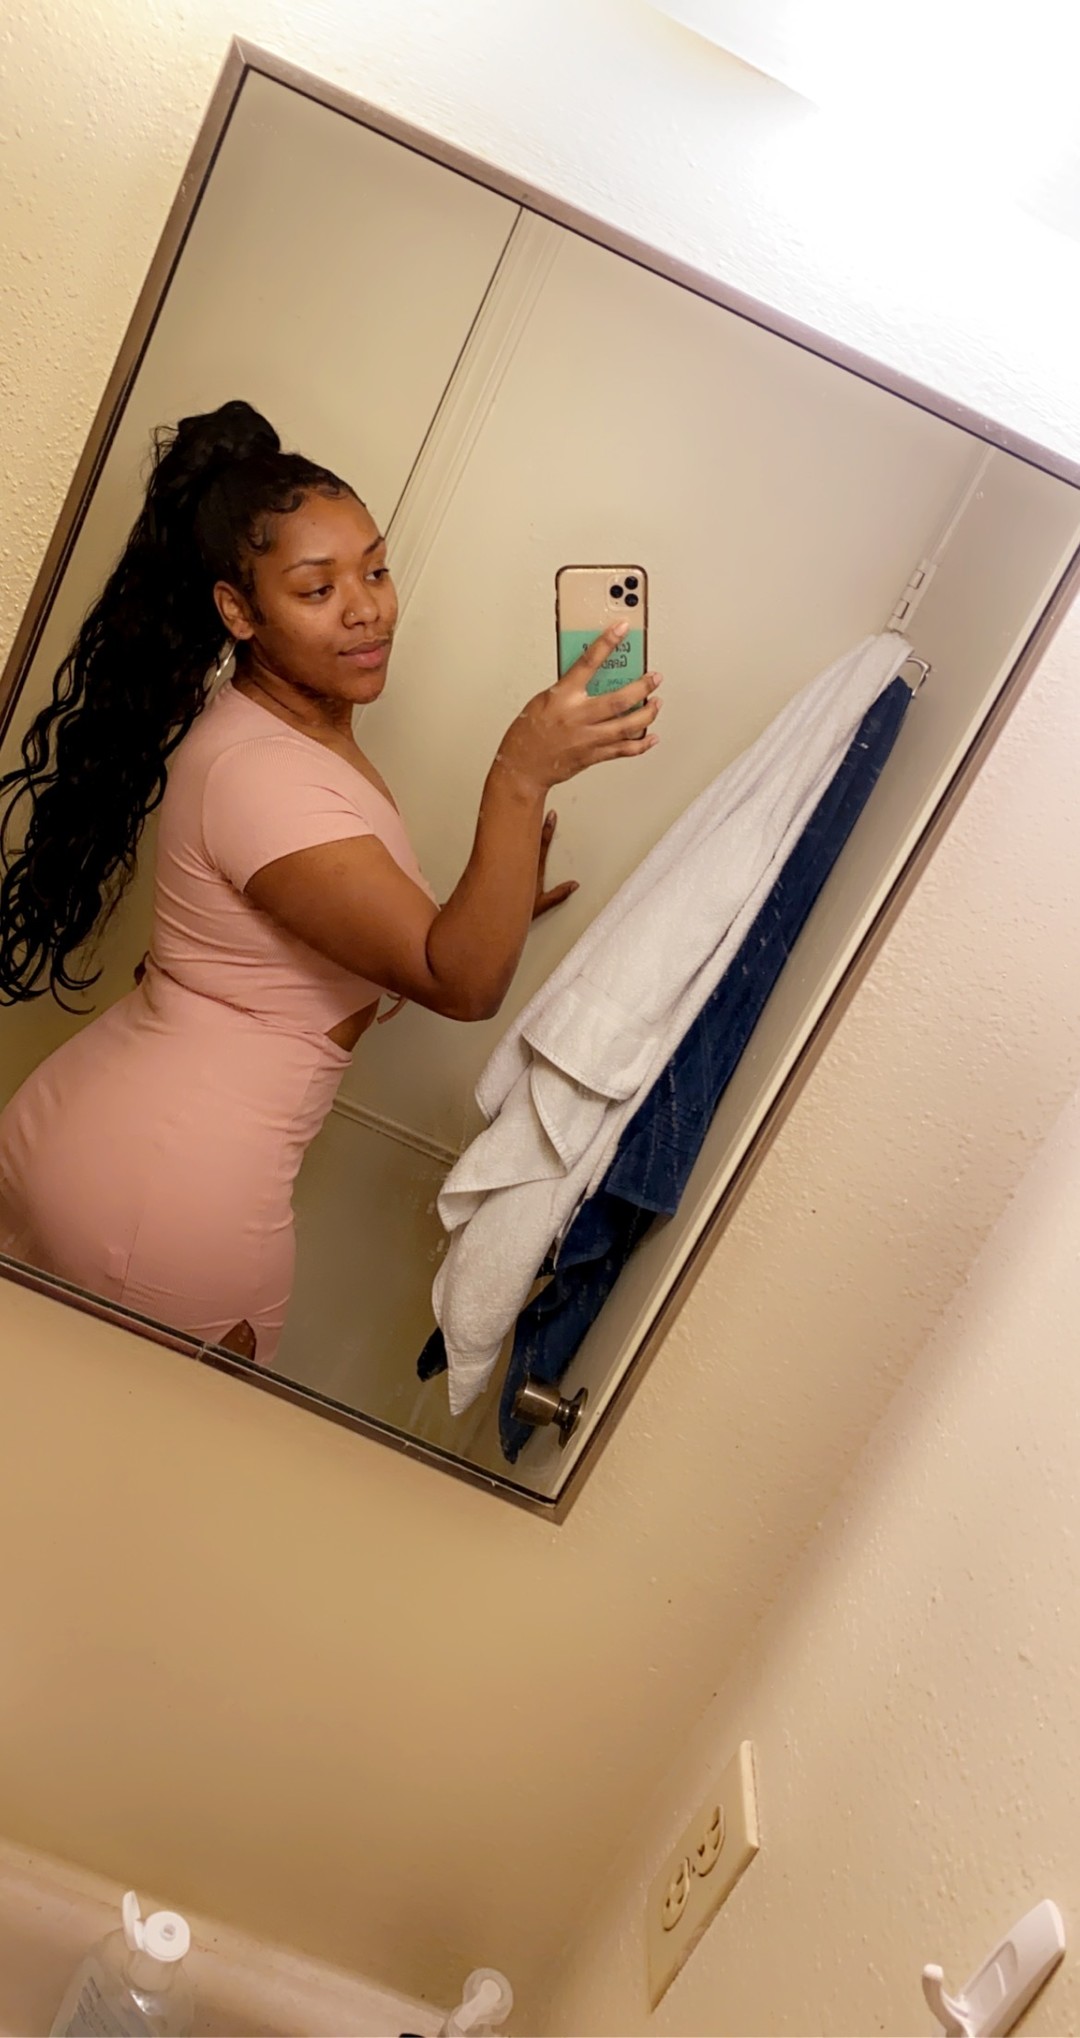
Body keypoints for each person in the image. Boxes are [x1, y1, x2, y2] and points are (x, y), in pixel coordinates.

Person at [0, 400, 661, 1364]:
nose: (366, 608)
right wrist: (519, 774)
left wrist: (492, 904)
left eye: (376, 570)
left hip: (106, 1136)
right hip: (167, 1194)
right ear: (240, 612)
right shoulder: (263, 775)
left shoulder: (280, 736)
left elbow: (354, 942)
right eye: (317, 589)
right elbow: (460, 981)